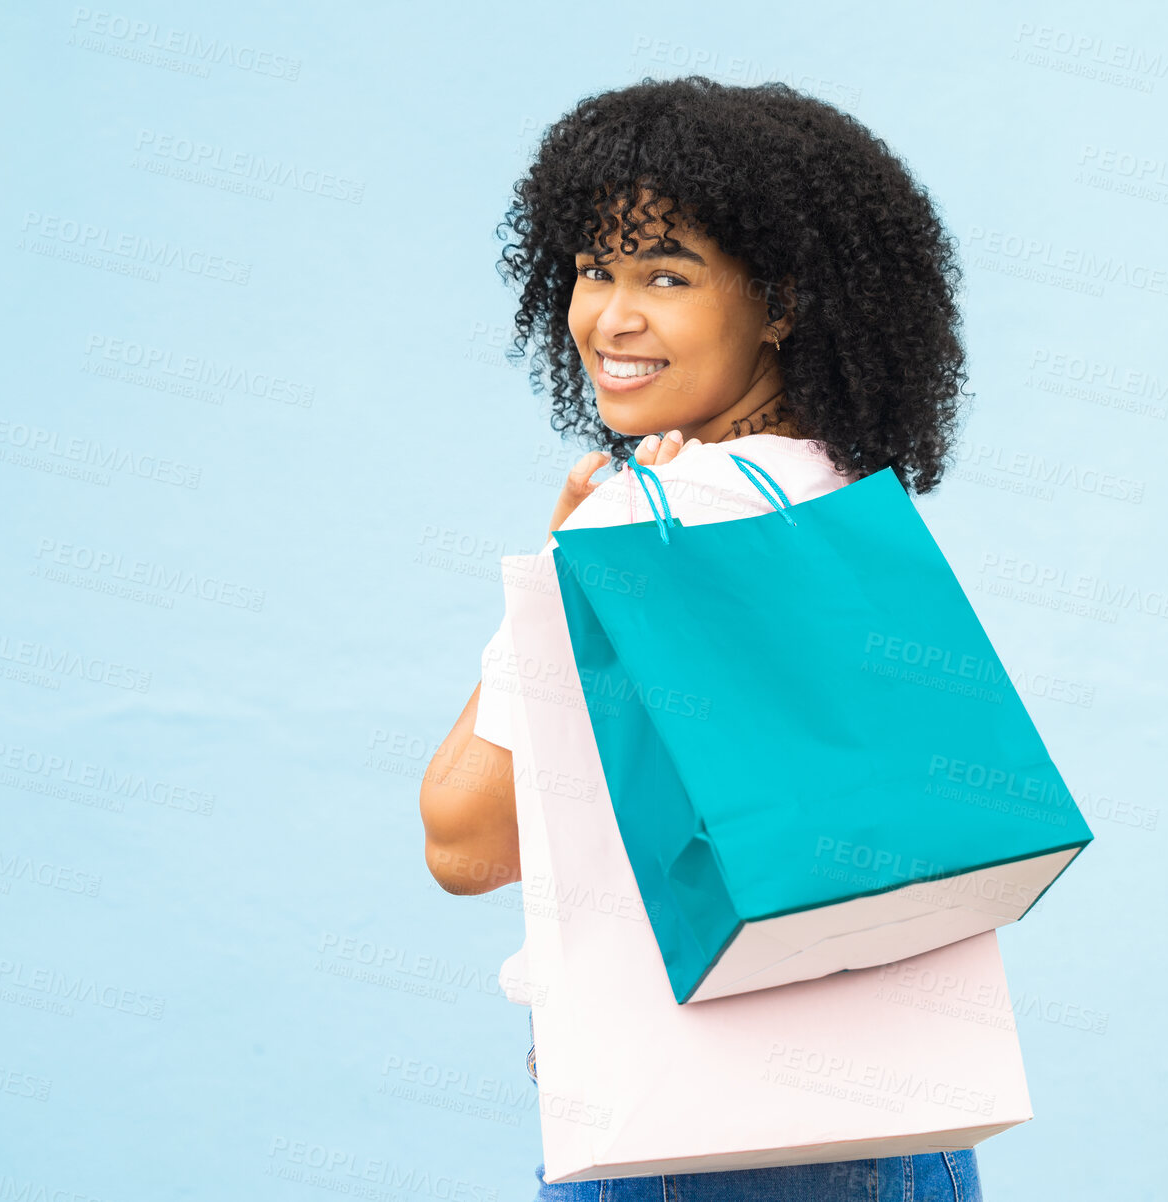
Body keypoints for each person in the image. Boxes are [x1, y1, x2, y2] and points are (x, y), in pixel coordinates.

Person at [418, 75, 980, 1201]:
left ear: (776, 301)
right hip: (911, 1131)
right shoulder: (839, 496)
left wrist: (559, 571)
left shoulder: (642, 518)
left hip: (699, 1145)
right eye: (592, 269)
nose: (609, 320)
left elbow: (464, 841)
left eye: (664, 277)